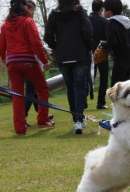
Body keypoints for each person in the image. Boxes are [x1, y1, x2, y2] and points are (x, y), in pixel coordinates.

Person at [0, 1, 54, 135]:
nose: (30, 10)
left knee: (17, 95)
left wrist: (5, 60)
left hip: (12, 63)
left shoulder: (5, 25)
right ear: (23, 7)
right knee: (42, 88)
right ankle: (43, 120)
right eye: (29, 7)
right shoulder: (27, 22)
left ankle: (20, 128)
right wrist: (45, 61)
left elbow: (0, 47)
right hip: (28, 61)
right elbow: (36, 42)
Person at [44, 0, 93, 136]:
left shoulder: (54, 14)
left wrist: (57, 47)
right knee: (79, 87)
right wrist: (86, 46)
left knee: (70, 88)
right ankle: (79, 119)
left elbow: (47, 36)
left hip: (63, 57)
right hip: (79, 55)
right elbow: (88, 31)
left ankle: (76, 119)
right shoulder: (80, 12)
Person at [101, 1, 130, 86]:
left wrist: (103, 44)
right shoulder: (126, 21)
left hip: (122, 58)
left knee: (116, 87)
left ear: (109, 11)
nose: (103, 12)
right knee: (124, 85)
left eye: (104, 9)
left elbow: (112, 42)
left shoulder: (111, 23)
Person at [89, 0, 108, 109]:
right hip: (102, 52)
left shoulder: (86, 19)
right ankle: (100, 102)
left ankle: (83, 101)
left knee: (89, 77)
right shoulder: (103, 21)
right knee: (103, 78)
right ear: (101, 9)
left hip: (88, 52)